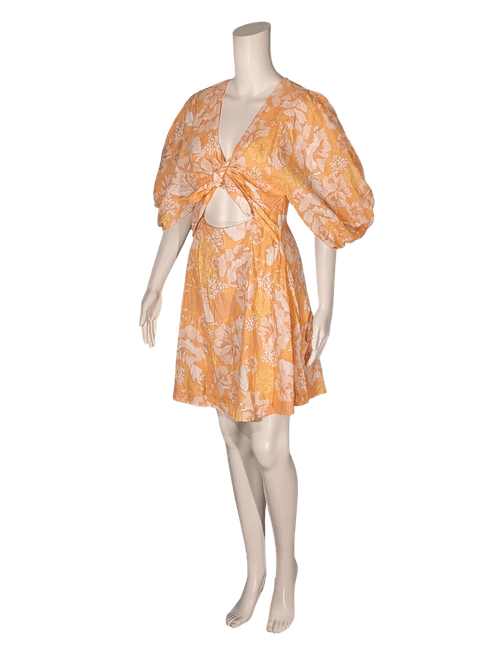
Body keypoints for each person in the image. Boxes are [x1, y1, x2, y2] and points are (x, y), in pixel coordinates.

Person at [138, 19, 375, 635]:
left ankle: (288, 577)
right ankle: (254, 571)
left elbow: (325, 205)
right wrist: (156, 282)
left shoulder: (298, 110)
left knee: (270, 443)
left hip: (268, 284)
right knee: (232, 435)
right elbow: (182, 204)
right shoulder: (198, 108)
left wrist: (327, 301)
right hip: (210, 286)